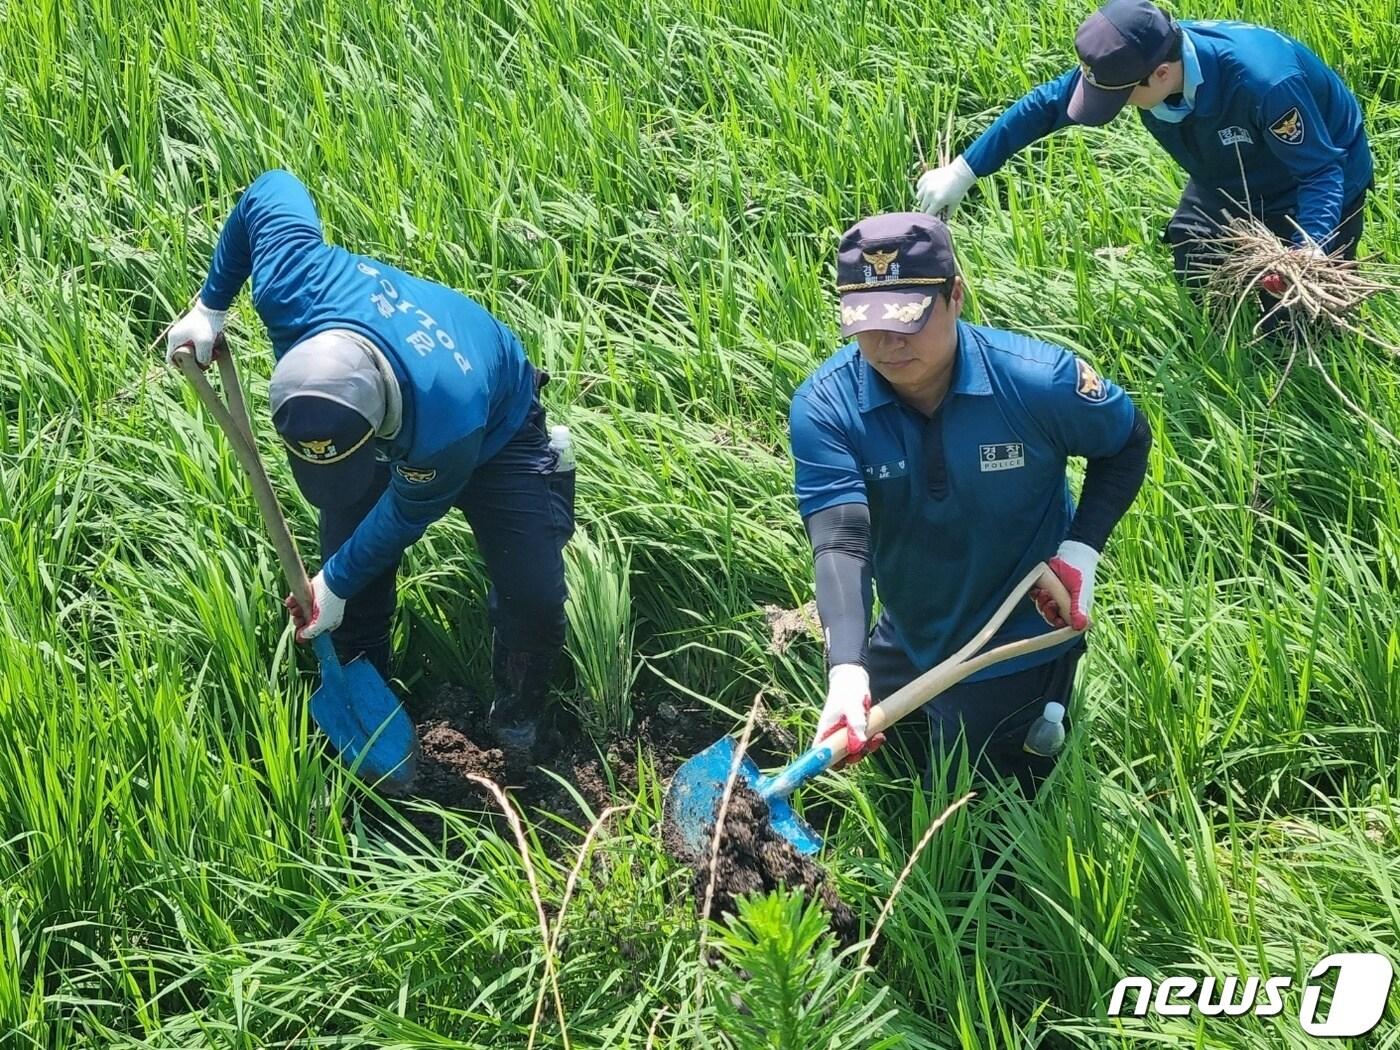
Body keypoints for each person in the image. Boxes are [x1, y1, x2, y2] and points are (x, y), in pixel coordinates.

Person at [165, 170, 575, 760]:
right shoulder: (289, 287)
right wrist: (211, 304)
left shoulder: (446, 422)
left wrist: (330, 582)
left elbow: (402, 516)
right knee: (348, 595)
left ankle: (519, 724)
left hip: (496, 426)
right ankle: (371, 720)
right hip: (380, 409)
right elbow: (270, 191)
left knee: (532, 595)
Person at [789, 213, 1150, 793]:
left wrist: (1080, 553)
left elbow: (1127, 441)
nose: (887, 343)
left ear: (955, 294)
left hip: (1014, 640)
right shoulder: (827, 407)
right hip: (908, 628)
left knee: (983, 819)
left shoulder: (1037, 383)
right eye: (867, 324)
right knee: (890, 774)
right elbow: (840, 538)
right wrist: (847, 670)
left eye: (908, 320)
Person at [915, 0, 1373, 321]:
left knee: (1294, 319)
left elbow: (1320, 171)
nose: (1119, 105)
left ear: (1162, 72)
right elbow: (1048, 104)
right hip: (1226, 174)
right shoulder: (1131, 60)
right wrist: (964, 169)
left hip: (1315, 185)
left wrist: (1307, 252)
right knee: (1193, 258)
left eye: (1123, 96)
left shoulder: (1264, 83)